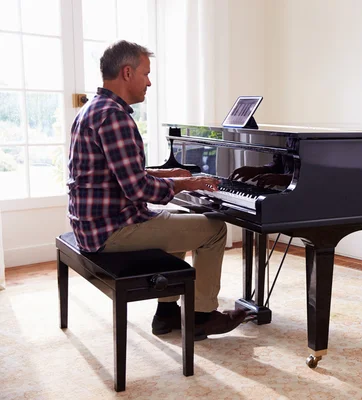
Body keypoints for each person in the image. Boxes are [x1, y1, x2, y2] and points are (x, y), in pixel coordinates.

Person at [67, 40, 247, 341]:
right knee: (214, 228)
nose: (149, 82)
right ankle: (202, 315)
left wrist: (169, 174)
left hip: (92, 225)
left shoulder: (94, 109)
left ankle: (166, 315)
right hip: (110, 233)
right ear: (127, 73)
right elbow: (137, 187)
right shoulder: (115, 117)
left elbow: (118, 173)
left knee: (169, 220)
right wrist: (185, 183)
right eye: (146, 74)